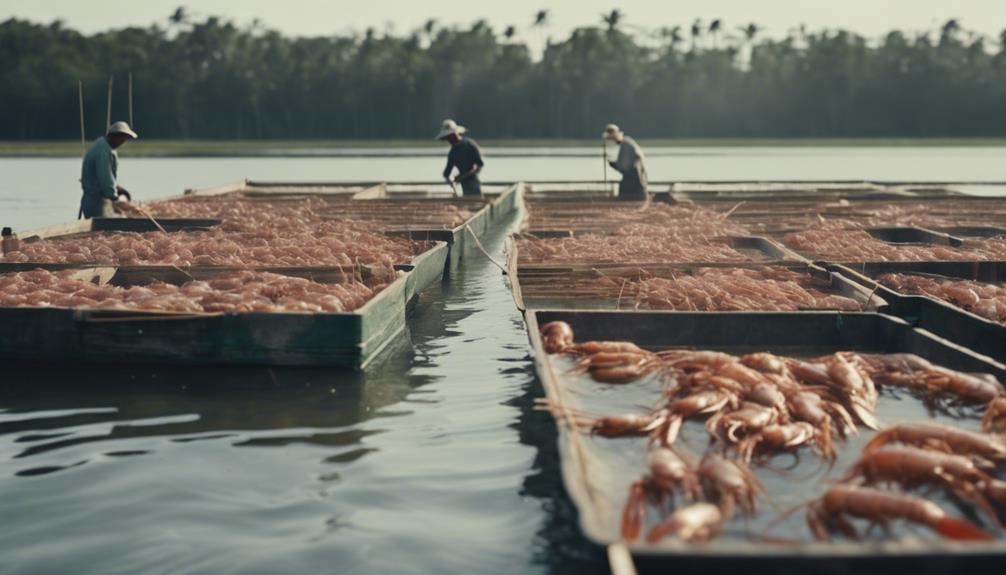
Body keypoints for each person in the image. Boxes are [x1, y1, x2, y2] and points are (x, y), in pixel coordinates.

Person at [79, 121, 138, 218]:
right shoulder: (104, 151)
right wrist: (116, 197)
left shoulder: (104, 146)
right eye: (122, 138)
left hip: (96, 201)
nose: (123, 142)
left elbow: (106, 178)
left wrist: (118, 189)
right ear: (115, 136)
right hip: (96, 202)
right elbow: (106, 179)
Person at [437, 119, 484, 197]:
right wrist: (452, 183)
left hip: (473, 182)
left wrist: (463, 176)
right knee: (467, 202)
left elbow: (479, 165)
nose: (449, 140)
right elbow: (446, 174)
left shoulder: (469, 145)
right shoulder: (452, 153)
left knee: (475, 199)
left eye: (450, 136)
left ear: (456, 133)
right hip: (464, 185)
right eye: (447, 138)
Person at [603, 124, 648, 201]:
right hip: (634, 175)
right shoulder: (626, 142)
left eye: (612, 138)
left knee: (625, 191)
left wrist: (613, 165)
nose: (612, 141)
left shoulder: (626, 144)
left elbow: (624, 167)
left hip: (635, 177)